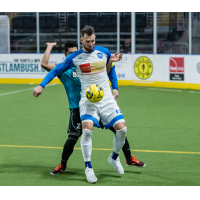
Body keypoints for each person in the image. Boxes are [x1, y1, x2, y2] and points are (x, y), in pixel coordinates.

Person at [33, 26, 146, 183]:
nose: (91, 43)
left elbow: (110, 69)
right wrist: (41, 85)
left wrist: (115, 88)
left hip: (104, 99)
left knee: (121, 129)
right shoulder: (73, 60)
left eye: (93, 40)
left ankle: (118, 157)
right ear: (81, 41)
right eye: (88, 41)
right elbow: (53, 70)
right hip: (84, 102)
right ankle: (81, 166)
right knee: (81, 133)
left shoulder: (103, 52)